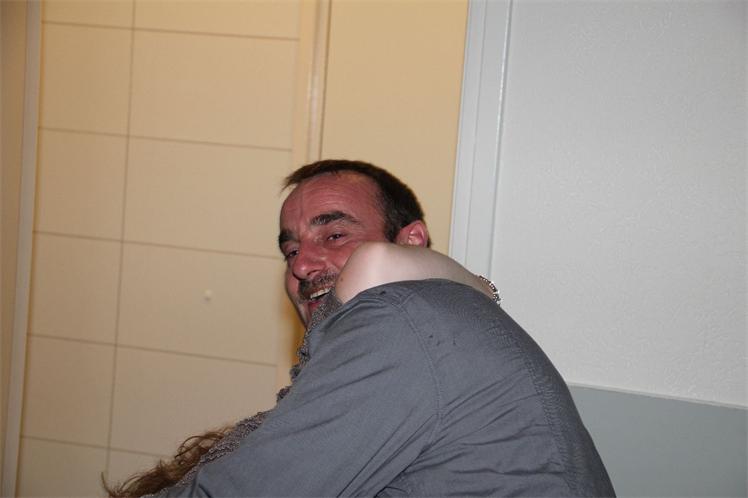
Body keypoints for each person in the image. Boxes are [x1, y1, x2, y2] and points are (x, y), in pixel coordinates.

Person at [107, 160, 614, 497]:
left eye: (334, 234)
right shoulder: (434, 317)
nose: (302, 264)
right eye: (290, 249)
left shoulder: (399, 321)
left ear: (410, 243)